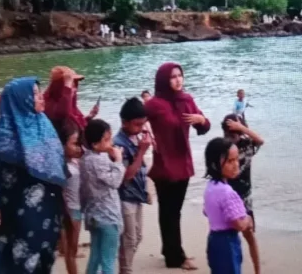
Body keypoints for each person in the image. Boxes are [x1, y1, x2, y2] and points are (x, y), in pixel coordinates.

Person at [0, 77, 67, 274]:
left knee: (43, 261)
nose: (41, 97)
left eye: (39, 92)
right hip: (15, 213)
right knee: (15, 264)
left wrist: (64, 213)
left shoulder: (45, 130)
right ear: (20, 100)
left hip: (47, 213)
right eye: (34, 94)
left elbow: (57, 171)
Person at [144, 62, 211, 270]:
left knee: (174, 211)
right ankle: (175, 257)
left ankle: (171, 251)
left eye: (180, 75)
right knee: (168, 211)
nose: (178, 80)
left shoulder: (186, 99)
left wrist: (201, 119)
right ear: (164, 80)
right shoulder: (154, 104)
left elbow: (205, 127)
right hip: (164, 164)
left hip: (183, 162)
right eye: (173, 77)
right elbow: (134, 120)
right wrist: (146, 133)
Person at [113, 98, 153, 274]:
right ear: (124, 122)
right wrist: (141, 151)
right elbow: (126, 176)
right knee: (129, 239)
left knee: (137, 236)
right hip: (125, 196)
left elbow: (141, 168)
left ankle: (125, 266)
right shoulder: (119, 144)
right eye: (137, 124)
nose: (141, 128)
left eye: (143, 124)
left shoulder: (135, 138)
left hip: (136, 195)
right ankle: (125, 270)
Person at [79, 119, 125, 274]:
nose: (110, 143)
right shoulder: (98, 160)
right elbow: (115, 181)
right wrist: (118, 160)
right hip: (108, 215)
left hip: (93, 214)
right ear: (95, 144)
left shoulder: (85, 159)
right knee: (108, 260)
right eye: (106, 140)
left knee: (95, 257)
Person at [203, 137, 253, 274]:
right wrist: (247, 220)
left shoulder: (210, 187)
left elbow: (206, 211)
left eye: (237, 159)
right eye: (230, 161)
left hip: (213, 239)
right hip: (227, 242)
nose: (236, 164)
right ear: (215, 165)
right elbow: (238, 224)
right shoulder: (227, 192)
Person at [222, 115, 263, 274]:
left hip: (245, 198)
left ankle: (257, 271)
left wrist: (242, 128)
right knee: (227, 238)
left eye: (233, 135)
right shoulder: (222, 148)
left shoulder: (247, 145)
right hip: (228, 198)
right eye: (227, 135)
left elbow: (260, 140)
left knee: (250, 236)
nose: (230, 139)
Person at [44, 66, 100, 137]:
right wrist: (67, 87)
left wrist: (90, 116)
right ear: (60, 86)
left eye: (75, 85)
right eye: (72, 85)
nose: (75, 89)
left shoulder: (71, 107)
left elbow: (76, 125)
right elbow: (63, 113)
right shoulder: (50, 104)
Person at [60, 123, 84, 274]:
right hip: (69, 211)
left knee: (72, 249)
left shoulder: (75, 161)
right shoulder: (62, 166)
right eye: (74, 144)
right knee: (70, 251)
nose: (78, 148)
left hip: (77, 208)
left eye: (79, 144)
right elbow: (61, 192)